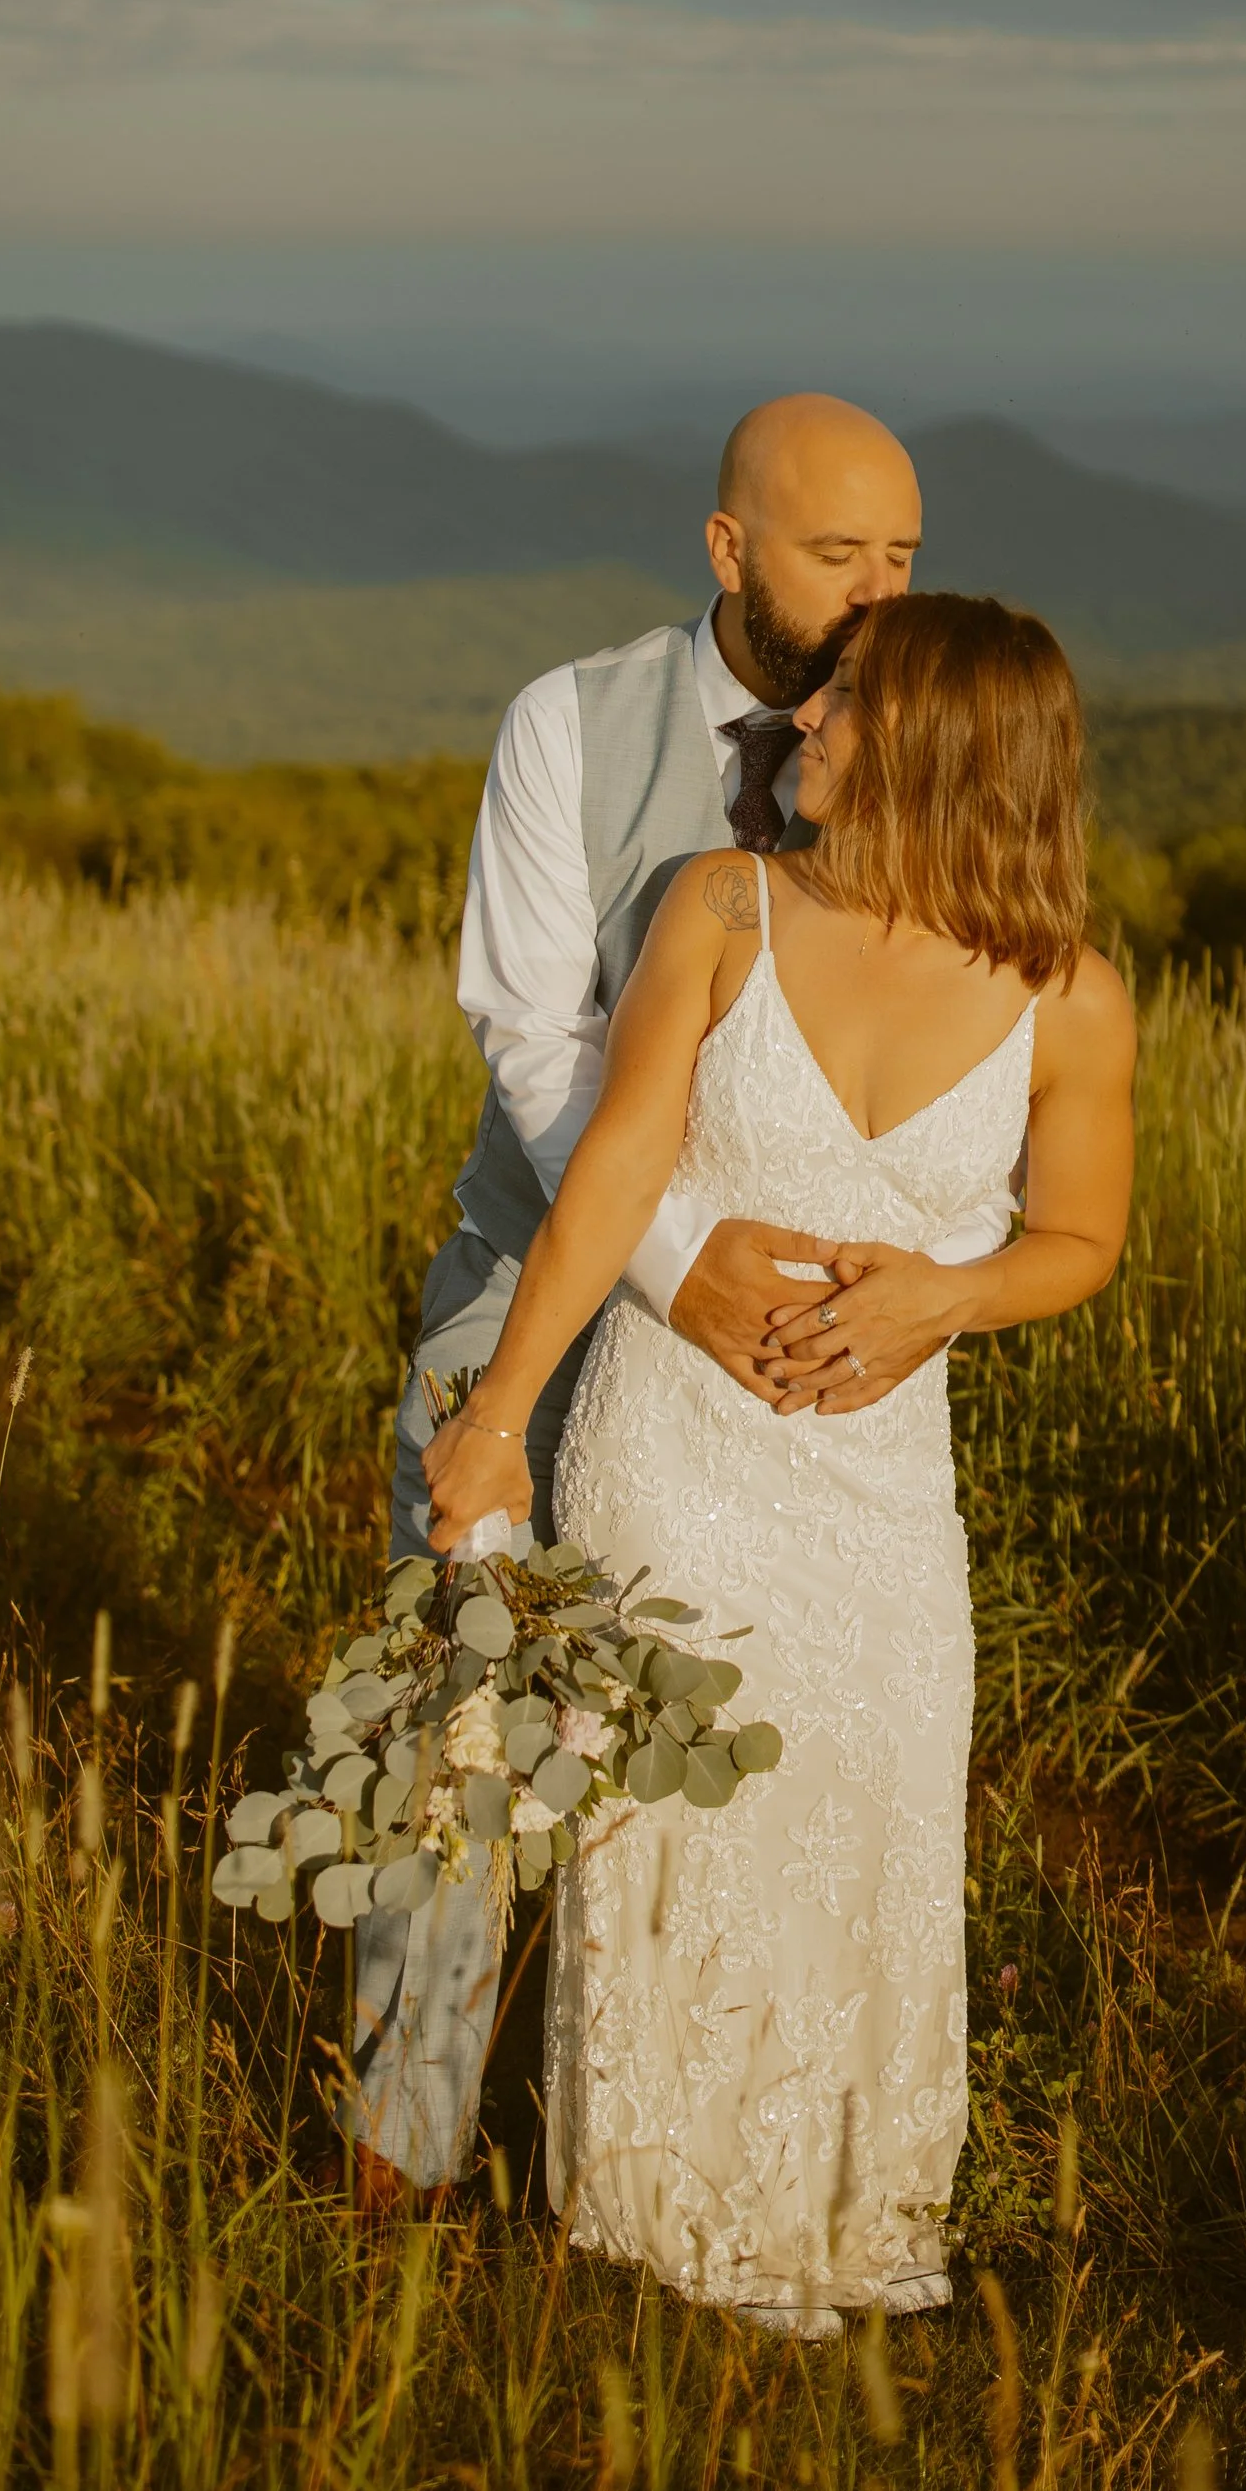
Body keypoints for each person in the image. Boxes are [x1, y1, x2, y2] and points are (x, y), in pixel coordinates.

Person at [424, 592, 1136, 2330]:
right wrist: (497, 1413)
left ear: (936, 749)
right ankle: (652, 2224)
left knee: (869, 1828)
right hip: (671, 1458)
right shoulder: (719, 908)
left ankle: (842, 2214)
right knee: (672, 1834)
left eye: (840, 707)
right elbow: (607, 1181)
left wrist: (946, 1301)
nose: (797, 726)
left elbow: (1082, 1239)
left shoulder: (1076, 995)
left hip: (888, 1507)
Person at [347, 393, 927, 2184]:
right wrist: (679, 1267)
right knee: (461, 1701)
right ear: (729, 548)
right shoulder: (567, 726)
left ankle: (664, 2144)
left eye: (907, 556)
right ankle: (401, 2143)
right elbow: (536, 1049)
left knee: (731, 1753)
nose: (879, 593)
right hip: (543, 1280)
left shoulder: (916, 736)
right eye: (841, 555)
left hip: (787, 1366)